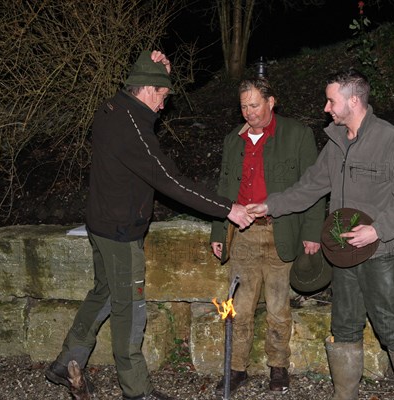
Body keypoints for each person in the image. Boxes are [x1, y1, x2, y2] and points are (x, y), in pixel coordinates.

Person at [45, 50, 254, 400]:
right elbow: (171, 181)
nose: (163, 105)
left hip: (101, 226)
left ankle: (66, 362)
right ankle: (136, 390)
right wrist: (227, 208)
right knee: (131, 311)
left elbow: (143, 87)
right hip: (120, 232)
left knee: (105, 293)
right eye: (162, 95)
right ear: (146, 91)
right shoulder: (132, 129)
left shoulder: (112, 108)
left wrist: (155, 65)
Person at [247, 68, 394, 400]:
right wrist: (268, 206)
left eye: (331, 101)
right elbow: (309, 187)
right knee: (344, 325)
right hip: (343, 253)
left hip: (382, 253)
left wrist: (377, 230)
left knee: (388, 323)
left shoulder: (392, 141)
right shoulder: (335, 145)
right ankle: (344, 395)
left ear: (353, 100)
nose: (326, 108)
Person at [210, 77, 326, 396]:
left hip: (282, 232)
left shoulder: (298, 135)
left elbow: (313, 187)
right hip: (243, 235)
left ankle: (278, 366)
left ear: (271, 102)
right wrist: (219, 230)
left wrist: (312, 232)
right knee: (239, 307)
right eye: (244, 106)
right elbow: (223, 189)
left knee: (278, 307)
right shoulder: (233, 140)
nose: (249, 112)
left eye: (255, 105)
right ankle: (236, 369)